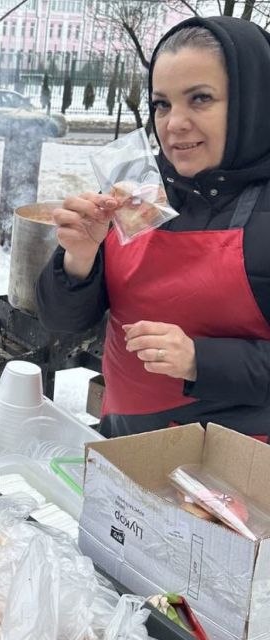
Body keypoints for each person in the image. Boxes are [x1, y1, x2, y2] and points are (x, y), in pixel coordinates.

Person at [36, 16, 270, 438]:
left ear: (252, 102)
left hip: (233, 467)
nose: (174, 123)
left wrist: (201, 360)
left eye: (200, 98)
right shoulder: (140, 187)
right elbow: (64, 322)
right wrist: (79, 259)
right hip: (125, 440)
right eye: (162, 103)